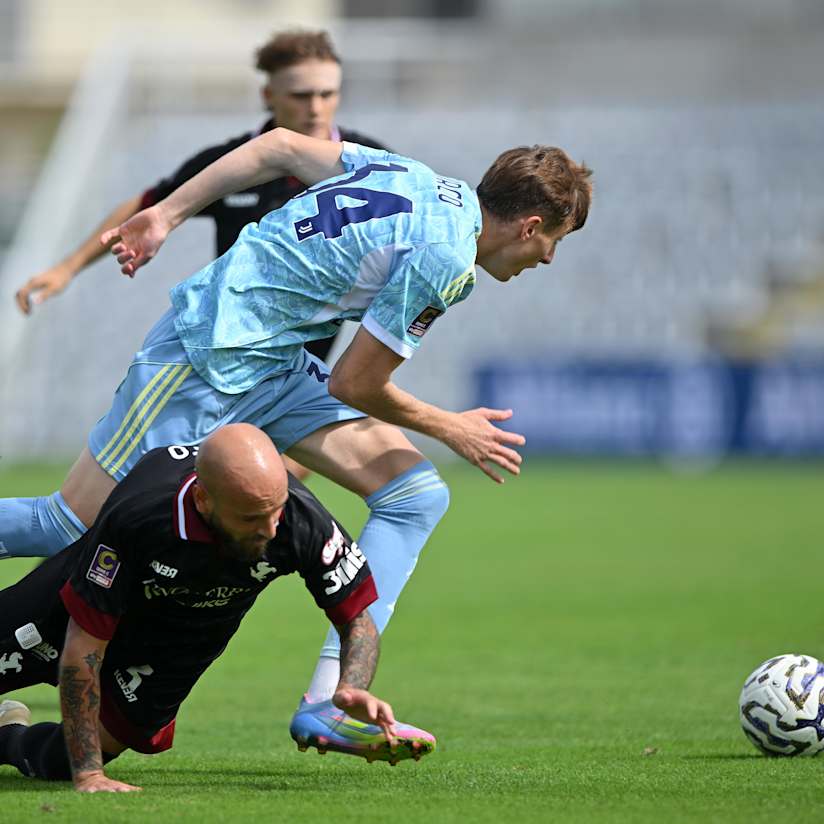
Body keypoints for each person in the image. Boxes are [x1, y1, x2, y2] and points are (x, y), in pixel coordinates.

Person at [0, 127, 592, 752]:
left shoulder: (419, 178)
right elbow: (356, 382)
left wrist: (167, 216)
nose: (547, 259)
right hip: (205, 356)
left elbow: (279, 145)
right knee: (71, 526)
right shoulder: (447, 258)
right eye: (554, 242)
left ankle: (329, 702)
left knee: (414, 495)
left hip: (274, 365)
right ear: (529, 226)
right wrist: (451, 425)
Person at [0, 424, 434, 793]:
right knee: (82, 759)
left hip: (177, 650)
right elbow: (84, 643)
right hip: (74, 609)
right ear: (204, 501)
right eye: (249, 518)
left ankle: (5, 733)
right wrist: (89, 774)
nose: (269, 529)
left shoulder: (300, 521)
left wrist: (351, 688)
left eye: (275, 510)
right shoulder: (143, 512)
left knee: (61, 761)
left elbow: (357, 620)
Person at [13, 28, 386, 372]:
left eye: (327, 94)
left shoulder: (371, 162)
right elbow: (149, 207)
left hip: (319, 357)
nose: (317, 108)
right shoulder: (229, 163)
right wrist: (67, 268)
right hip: (235, 349)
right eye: (301, 95)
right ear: (268, 96)